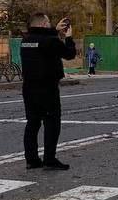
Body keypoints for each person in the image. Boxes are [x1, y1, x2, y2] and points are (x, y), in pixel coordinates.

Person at [20, 12, 76, 170]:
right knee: (52, 122)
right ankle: (49, 159)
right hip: (47, 87)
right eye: (49, 22)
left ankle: (31, 160)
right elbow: (69, 54)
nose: (50, 24)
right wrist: (68, 37)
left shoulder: (26, 40)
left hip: (29, 88)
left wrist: (55, 31)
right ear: (44, 24)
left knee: (32, 123)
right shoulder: (50, 41)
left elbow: (41, 39)